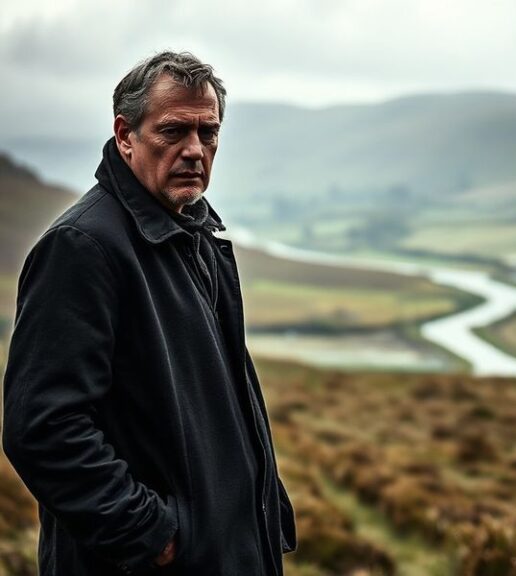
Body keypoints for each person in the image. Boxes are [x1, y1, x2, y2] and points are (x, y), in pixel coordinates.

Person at [2, 51, 297, 575]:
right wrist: (150, 535)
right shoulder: (82, 248)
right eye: (173, 131)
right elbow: (43, 428)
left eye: (208, 132)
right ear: (125, 135)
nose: (194, 149)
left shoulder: (193, 237)